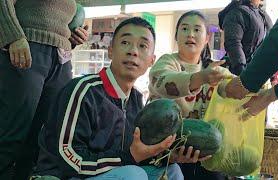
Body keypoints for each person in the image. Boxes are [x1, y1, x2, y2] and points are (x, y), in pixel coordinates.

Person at [32, 17, 185, 180]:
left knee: (172, 171)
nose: (133, 51)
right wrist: (129, 158)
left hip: (111, 174)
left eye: (143, 46)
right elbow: (68, 158)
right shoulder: (83, 90)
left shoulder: (136, 101)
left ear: (151, 61)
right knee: (134, 174)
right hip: (62, 176)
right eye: (125, 42)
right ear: (110, 50)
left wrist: (166, 156)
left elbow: (132, 156)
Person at [0, 1, 88, 179]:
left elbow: (59, 22)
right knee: (12, 134)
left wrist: (72, 37)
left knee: (44, 138)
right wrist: (13, 36)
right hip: (27, 45)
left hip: (61, 57)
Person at [149, 10, 234, 180]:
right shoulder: (167, 62)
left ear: (207, 38)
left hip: (206, 151)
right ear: (176, 36)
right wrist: (199, 78)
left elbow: (231, 88)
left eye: (197, 30)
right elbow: (162, 82)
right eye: (185, 29)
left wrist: (253, 88)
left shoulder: (214, 69)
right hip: (166, 151)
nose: (191, 34)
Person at [219, 0, 272, 75]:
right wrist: (242, 72)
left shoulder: (263, 15)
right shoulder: (237, 13)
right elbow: (233, 43)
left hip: (258, 72)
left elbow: (270, 42)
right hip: (239, 72)